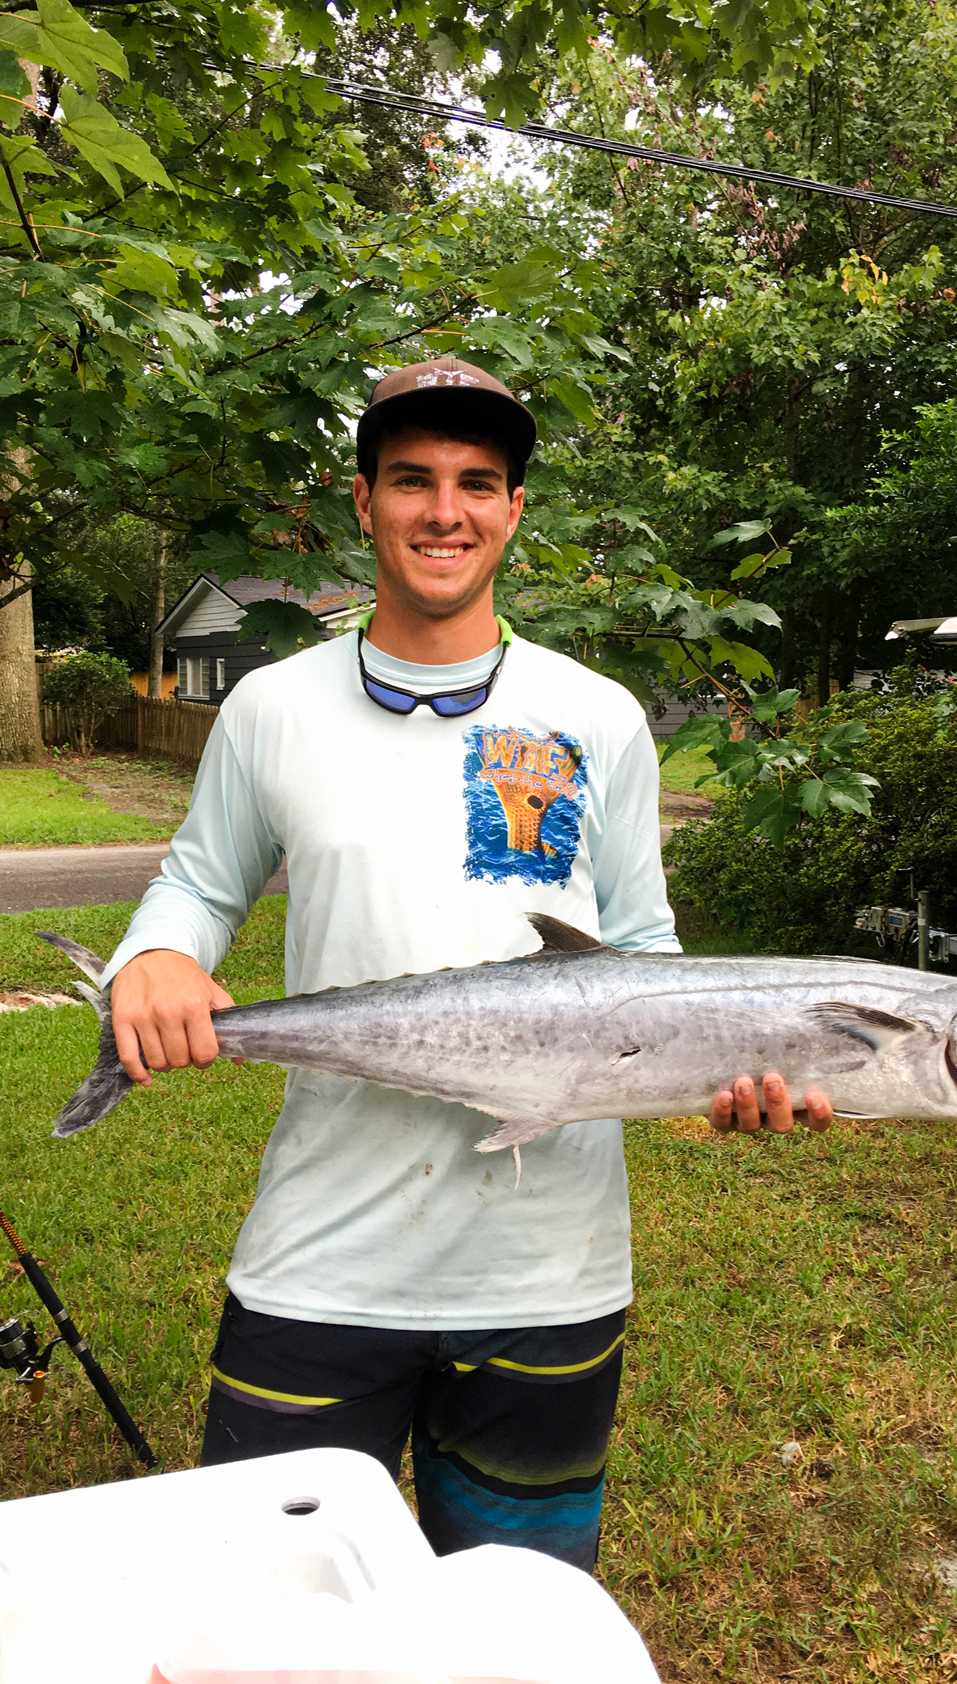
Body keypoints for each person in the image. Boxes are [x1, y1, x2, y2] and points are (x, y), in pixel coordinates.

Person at [103, 356, 833, 1571]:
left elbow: (646, 955)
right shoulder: (271, 708)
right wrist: (155, 957)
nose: (446, 511)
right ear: (364, 502)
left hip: (551, 1271)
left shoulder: (596, 714)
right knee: (264, 1616)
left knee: (515, 1619)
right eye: (413, 481)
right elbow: (198, 881)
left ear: (513, 510)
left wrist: (738, 1065)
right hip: (319, 1262)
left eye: (477, 484)